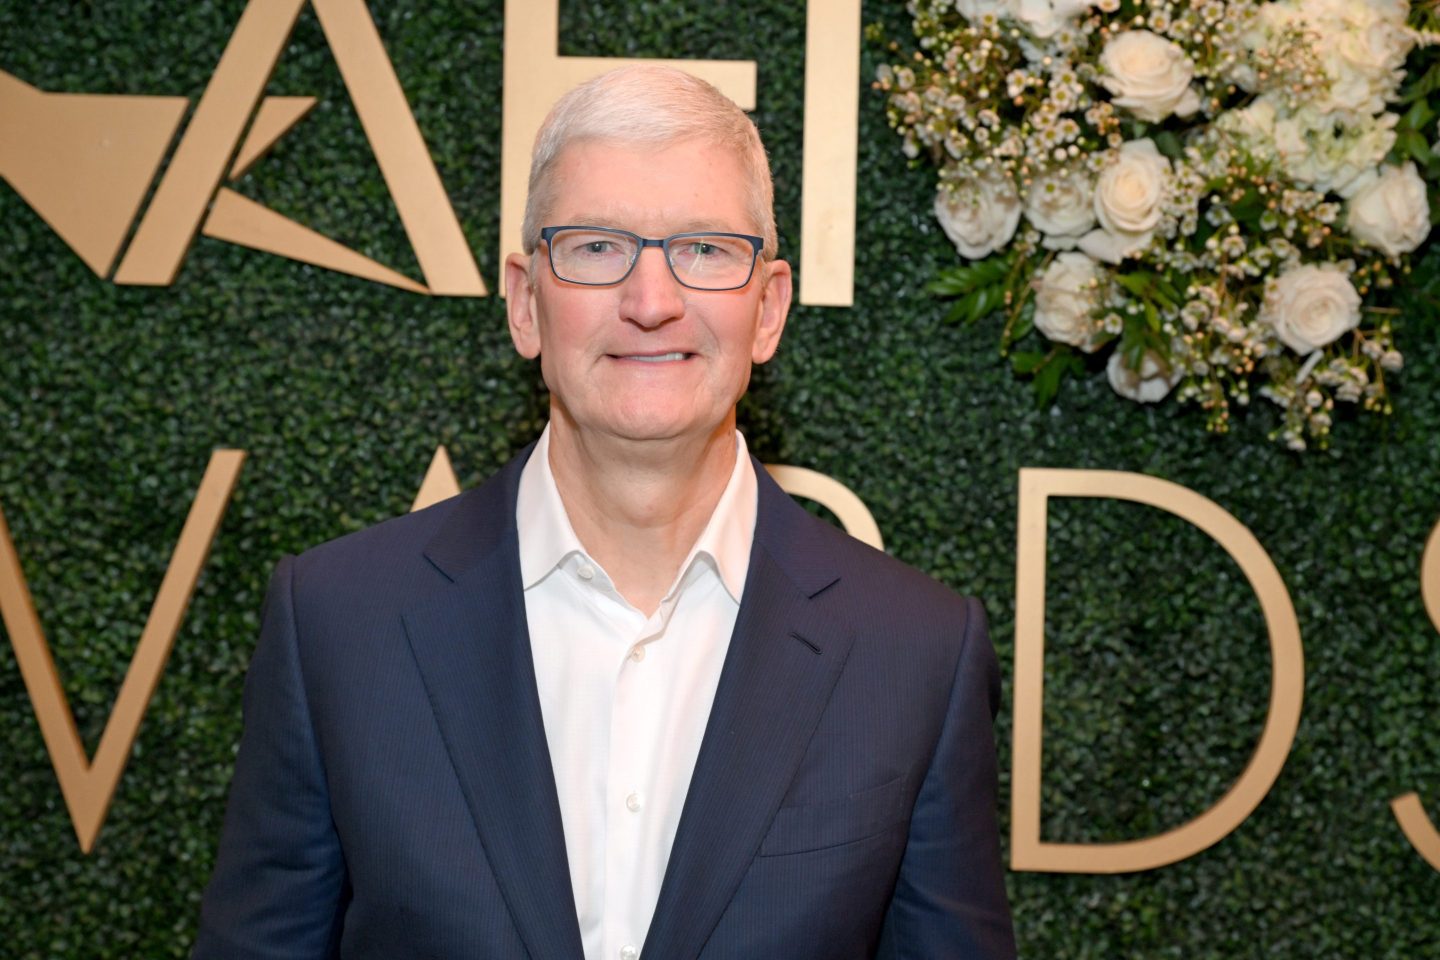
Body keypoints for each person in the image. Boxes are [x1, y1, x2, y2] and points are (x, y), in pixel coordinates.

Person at [192, 65, 1015, 960]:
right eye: (595, 247)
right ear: (524, 302)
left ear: (768, 308)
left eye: (704, 249)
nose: (652, 302)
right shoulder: (340, 622)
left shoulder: (916, 652)